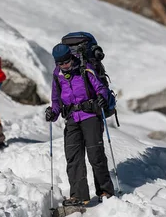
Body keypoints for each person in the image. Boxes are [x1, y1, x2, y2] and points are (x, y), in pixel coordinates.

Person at [45, 43, 115, 206]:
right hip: (71, 118)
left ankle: (105, 191)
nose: (65, 66)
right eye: (61, 63)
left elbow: (100, 88)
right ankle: (78, 196)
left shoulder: (85, 68)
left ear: (71, 57)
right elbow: (56, 100)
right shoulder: (57, 75)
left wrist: (102, 97)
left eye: (66, 62)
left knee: (95, 155)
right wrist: (53, 113)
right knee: (73, 157)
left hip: (90, 115)